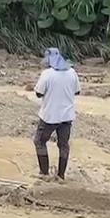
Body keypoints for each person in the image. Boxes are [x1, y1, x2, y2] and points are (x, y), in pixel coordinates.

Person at [32, 48, 80, 179]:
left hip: (49, 116)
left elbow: (38, 93)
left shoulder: (47, 74)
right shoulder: (72, 73)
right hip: (67, 116)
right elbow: (77, 91)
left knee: (39, 141)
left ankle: (44, 173)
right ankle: (61, 175)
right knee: (63, 145)